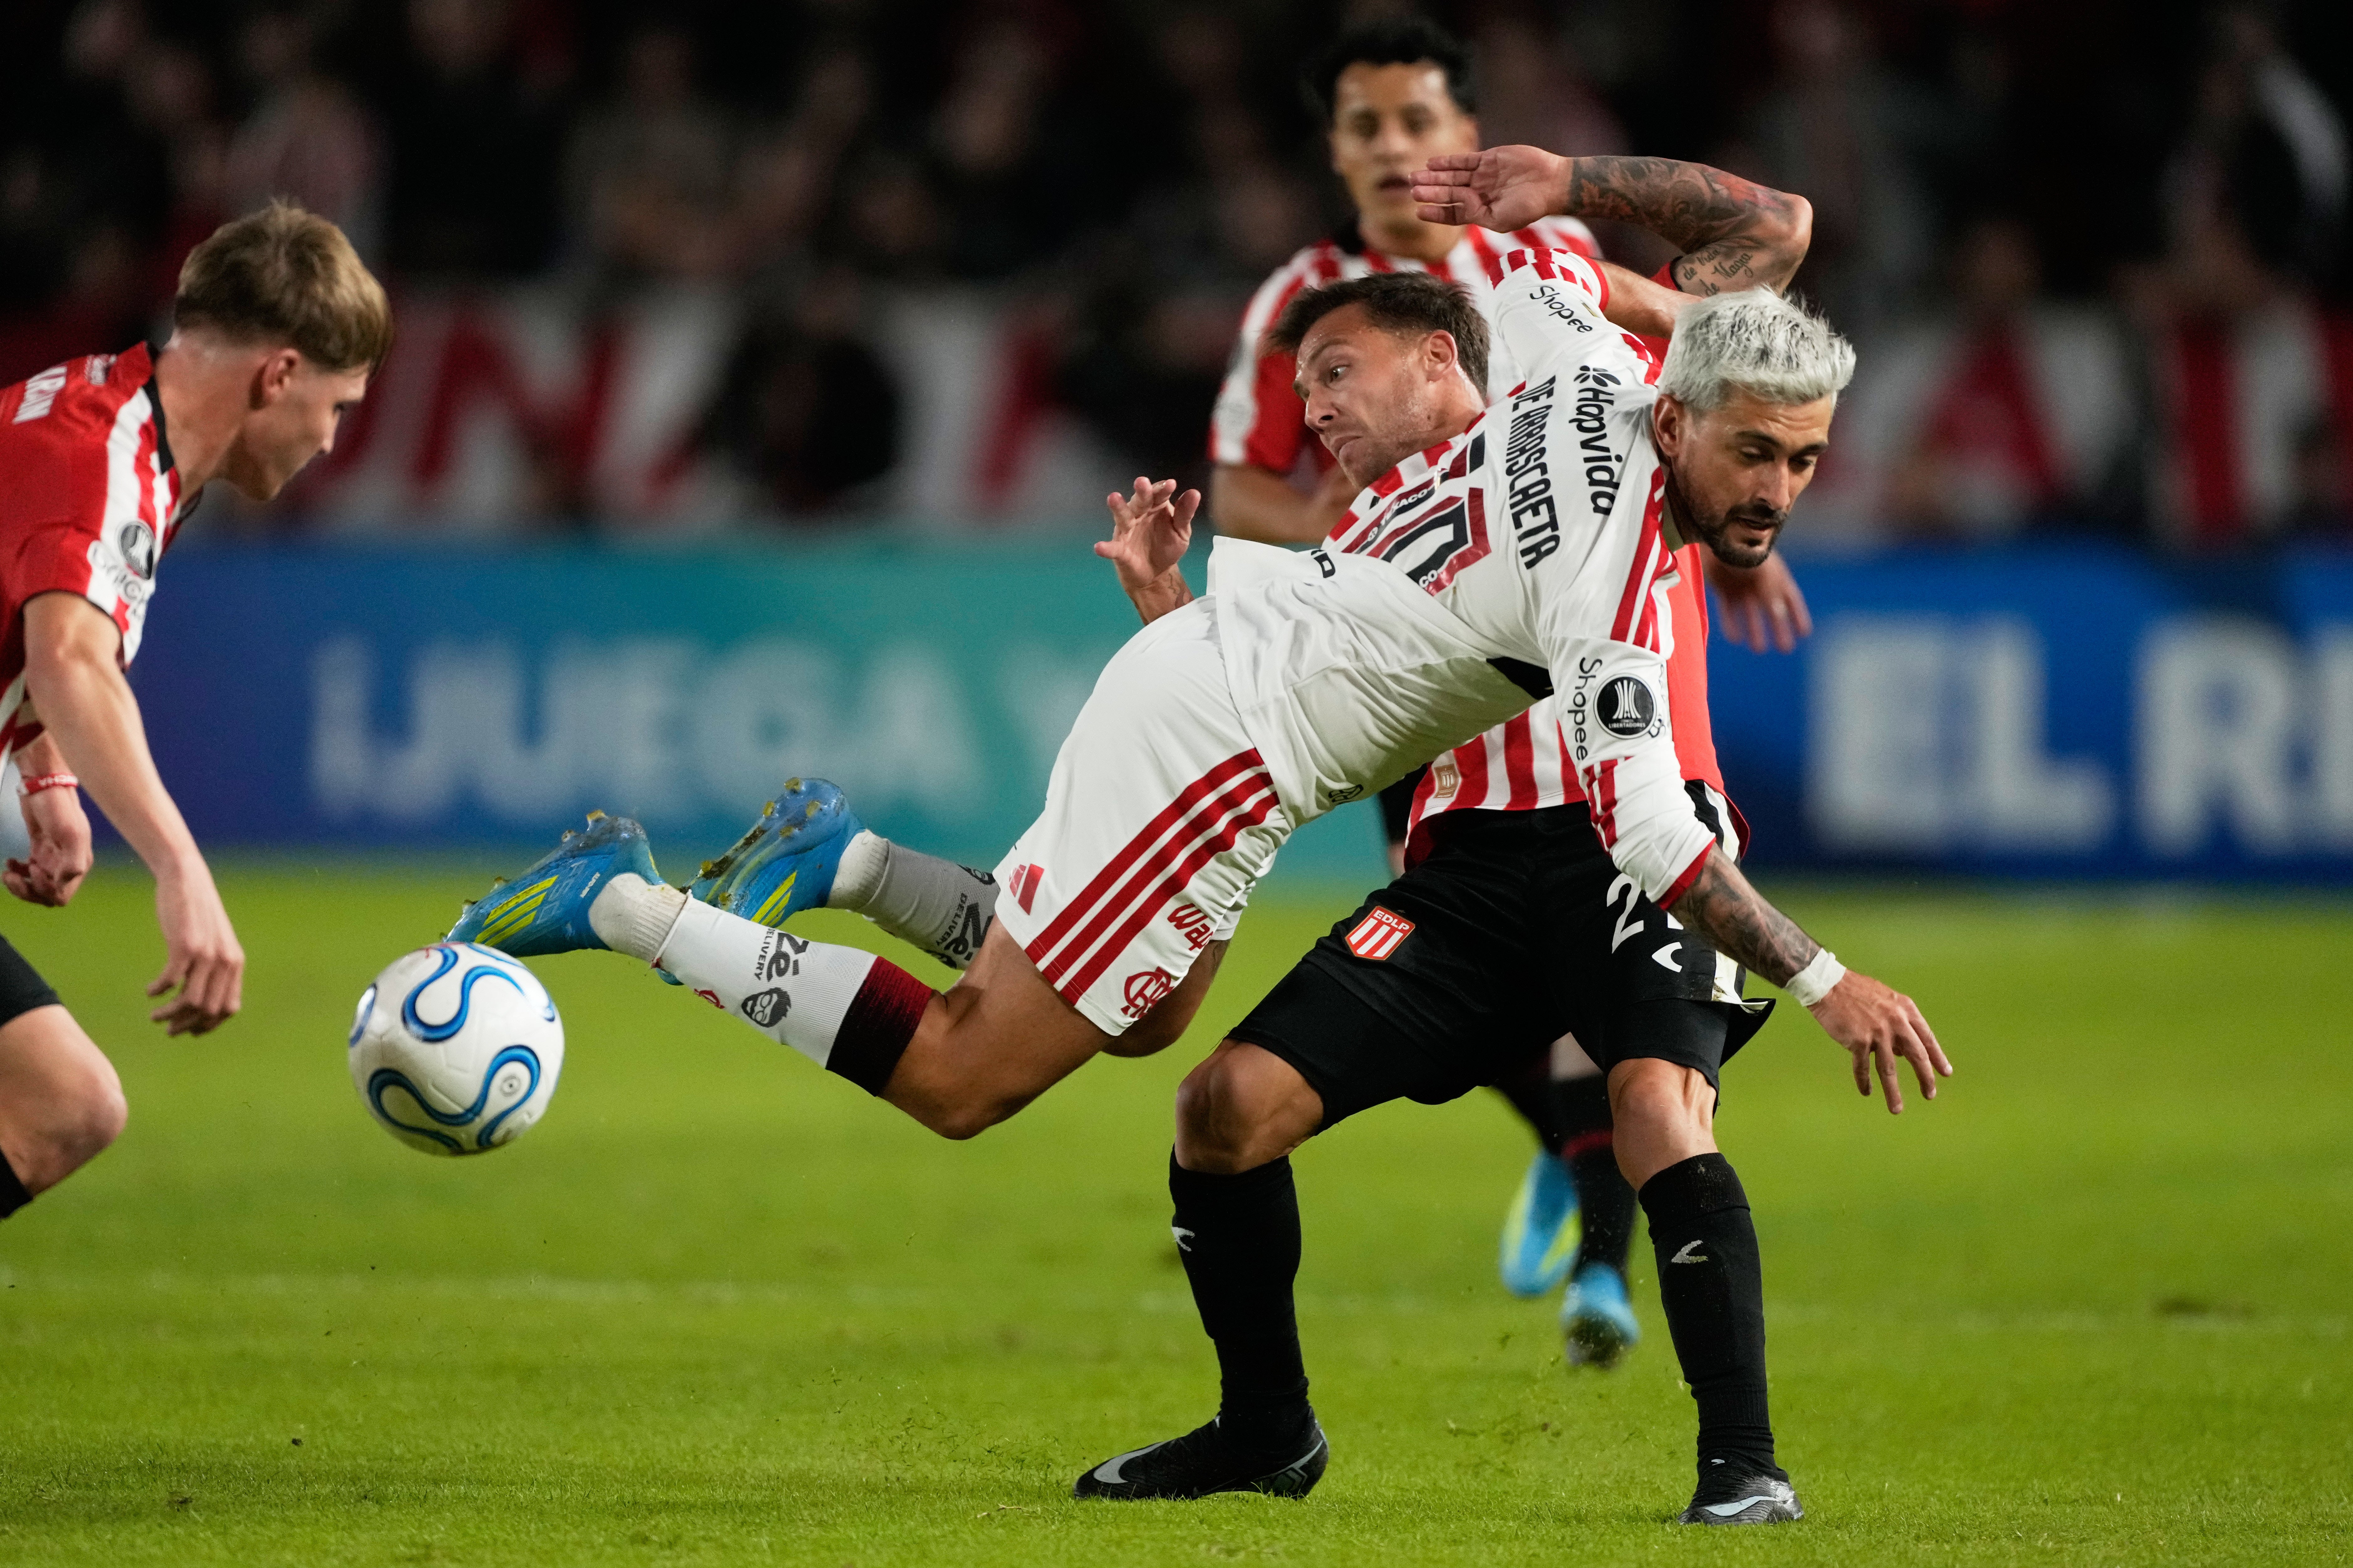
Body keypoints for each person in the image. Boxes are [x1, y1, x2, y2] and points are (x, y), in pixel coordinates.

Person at [451, 149, 1944, 1521]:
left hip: (1220, 720)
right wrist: (1830, 983)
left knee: (1170, 1040)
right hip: (1239, 760)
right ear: (1681, 409)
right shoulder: (1606, 572)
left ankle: (856, 871)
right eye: (1759, 455)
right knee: (970, 1076)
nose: (1779, 493)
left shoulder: (1554, 339)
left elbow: (1725, 241)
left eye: (1805, 462)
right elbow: (1659, 839)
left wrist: (1561, 189)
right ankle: (632, 905)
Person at [1205, 17, 1820, 1353]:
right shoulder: (1304, 306)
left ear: (1461, 136)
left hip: (1596, 674)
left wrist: (1738, 524)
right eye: (1363, 126)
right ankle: (1574, 1158)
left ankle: (1602, 1249)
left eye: (1415, 122)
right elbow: (1237, 493)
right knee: (1486, 980)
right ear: (1333, 150)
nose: (1391, 150)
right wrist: (1335, 509)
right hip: (1441, 698)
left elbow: (1720, 343)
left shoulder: (1544, 263)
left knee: (1615, 1000)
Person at [0, 202, 387, 1220]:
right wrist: (180, 869)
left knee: (64, 1106)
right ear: (280, 376)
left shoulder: (117, 422)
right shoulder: (108, 455)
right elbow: (72, 654)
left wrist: (42, 770)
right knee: (62, 1105)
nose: (331, 441)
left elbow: (30, 616)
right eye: (339, 408)